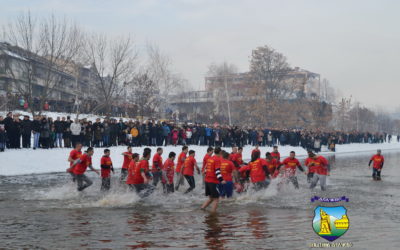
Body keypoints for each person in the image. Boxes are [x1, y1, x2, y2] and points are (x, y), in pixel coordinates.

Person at [201, 147, 226, 213]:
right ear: (220, 152)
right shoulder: (217, 159)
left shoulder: (210, 158)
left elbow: (207, 168)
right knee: (216, 199)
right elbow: (217, 171)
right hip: (213, 181)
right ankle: (213, 214)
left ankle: (202, 208)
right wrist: (221, 180)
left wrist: (205, 172)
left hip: (207, 180)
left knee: (211, 198)